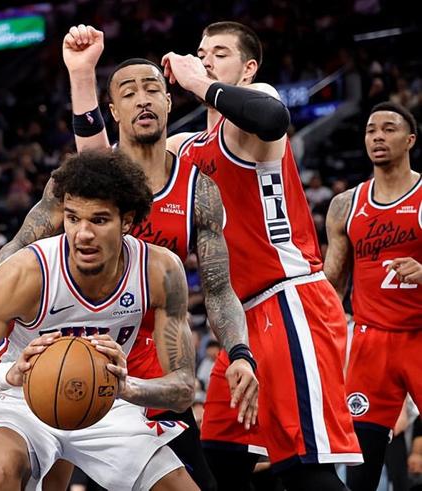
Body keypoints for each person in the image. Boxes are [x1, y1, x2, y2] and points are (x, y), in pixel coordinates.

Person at [0, 26, 260, 490]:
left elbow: (219, 290)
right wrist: (4, 318)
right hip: (78, 355)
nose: (142, 100)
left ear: (169, 102)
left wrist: (239, 353)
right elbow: (15, 250)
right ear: (113, 111)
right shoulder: (82, 180)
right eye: (129, 93)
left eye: (152, 89)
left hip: (155, 370)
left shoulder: (198, 190)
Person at [157, 21, 361, 490]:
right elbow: (116, 165)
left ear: (247, 69)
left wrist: (198, 82)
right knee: (219, 466)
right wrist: (84, 79)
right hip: (237, 323)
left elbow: (272, 117)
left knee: (305, 473)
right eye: (201, 52)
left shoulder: (256, 109)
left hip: (288, 302)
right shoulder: (185, 148)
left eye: (220, 53)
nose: (205, 59)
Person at [0, 150, 199, 491]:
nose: (83, 233)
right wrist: (9, 374)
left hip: (105, 402)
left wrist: (128, 387)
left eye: (99, 220)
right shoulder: (27, 272)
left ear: (127, 221)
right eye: (73, 218)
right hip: (21, 399)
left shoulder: (159, 270)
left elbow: (183, 389)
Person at [325, 101, 421, 491]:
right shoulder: (345, 205)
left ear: (410, 139)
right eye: (370, 130)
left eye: (388, 129)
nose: (378, 137)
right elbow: (332, 286)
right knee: (361, 467)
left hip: (418, 336)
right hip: (370, 343)